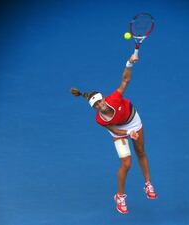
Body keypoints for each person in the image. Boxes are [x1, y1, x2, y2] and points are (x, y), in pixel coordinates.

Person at [70, 53, 157, 214]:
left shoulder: (115, 98)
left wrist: (129, 63)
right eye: (96, 105)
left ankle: (148, 184)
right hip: (120, 130)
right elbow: (115, 131)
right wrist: (129, 133)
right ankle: (120, 196)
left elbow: (125, 80)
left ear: (103, 98)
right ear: (94, 108)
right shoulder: (100, 119)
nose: (100, 105)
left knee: (141, 152)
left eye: (100, 101)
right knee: (127, 163)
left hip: (134, 121)